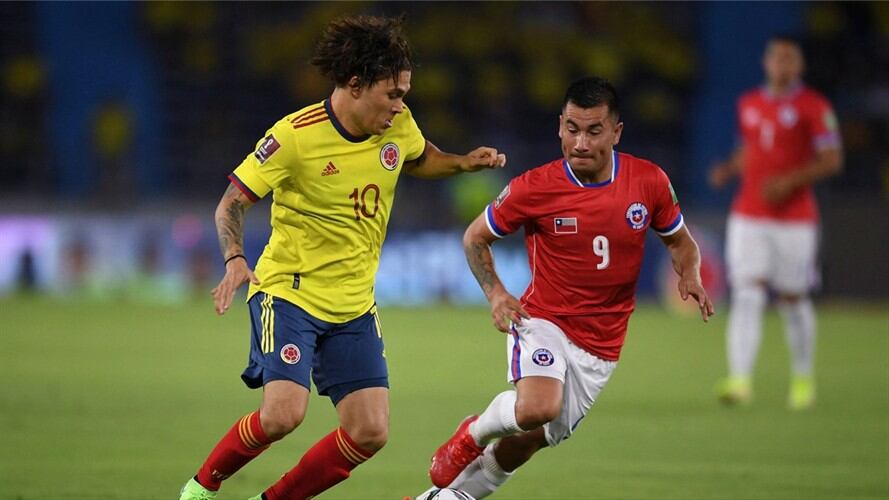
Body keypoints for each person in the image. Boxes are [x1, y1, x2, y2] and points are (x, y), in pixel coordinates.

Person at [179, 15, 507, 500]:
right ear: (355, 85)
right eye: (392, 94)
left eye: (405, 94)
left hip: (353, 304)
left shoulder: (398, 125)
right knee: (282, 415)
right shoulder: (294, 136)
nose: (401, 106)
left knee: (370, 431)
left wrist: (461, 162)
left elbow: (418, 156)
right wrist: (233, 258)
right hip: (290, 293)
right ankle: (201, 490)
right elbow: (232, 202)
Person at [419, 77, 714, 499]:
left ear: (616, 132)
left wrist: (689, 272)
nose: (580, 142)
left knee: (528, 439)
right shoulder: (534, 187)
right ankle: (474, 431)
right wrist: (498, 294)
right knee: (537, 407)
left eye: (594, 131)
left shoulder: (648, 182)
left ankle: (446, 498)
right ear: (559, 125)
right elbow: (474, 237)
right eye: (572, 128)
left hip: (602, 346)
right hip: (544, 320)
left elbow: (680, 241)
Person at [709, 35, 843, 410]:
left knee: (792, 297)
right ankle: (739, 380)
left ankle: (802, 379)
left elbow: (831, 159)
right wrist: (728, 169)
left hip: (795, 220)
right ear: (766, 62)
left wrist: (790, 181)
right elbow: (750, 148)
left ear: (799, 66)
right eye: (776, 58)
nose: (782, 65)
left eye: (790, 59)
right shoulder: (748, 103)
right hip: (749, 214)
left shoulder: (814, 106)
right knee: (747, 292)